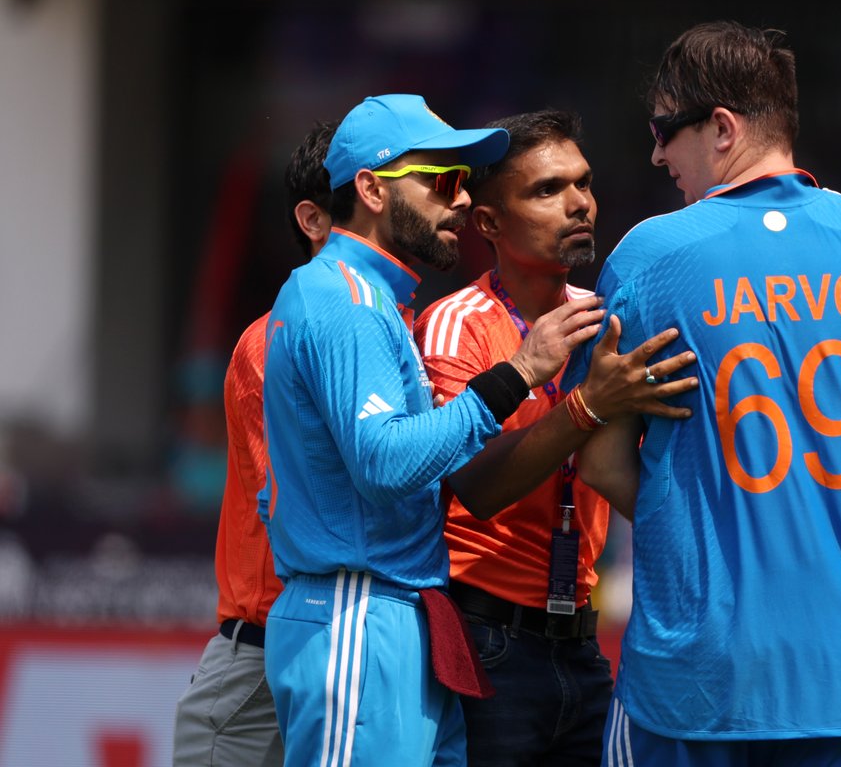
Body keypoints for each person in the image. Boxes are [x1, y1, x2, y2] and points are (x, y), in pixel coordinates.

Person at [568, 22, 841, 766]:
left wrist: (703, 515)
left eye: (666, 130)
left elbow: (600, 463)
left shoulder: (653, 255)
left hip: (700, 688)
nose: (658, 153)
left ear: (723, 128)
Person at [259, 94, 690, 767]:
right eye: (441, 181)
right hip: (381, 611)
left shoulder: (373, 298)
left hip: (448, 618)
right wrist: (529, 380)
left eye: (584, 184)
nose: (455, 202)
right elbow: (385, 464)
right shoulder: (348, 299)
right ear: (371, 189)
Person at [415, 109, 694, 766]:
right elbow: (476, 486)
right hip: (486, 640)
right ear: (487, 223)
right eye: (547, 190)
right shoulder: (458, 324)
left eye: (584, 184)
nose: (578, 204)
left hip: (583, 642)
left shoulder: (613, 319)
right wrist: (589, 405)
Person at [173, 120, 336, 767]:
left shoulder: (413, 339)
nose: (451, 202)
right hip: (264, 658)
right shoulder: (275, 342)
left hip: (348, 650)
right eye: (380, 192)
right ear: (314, 220)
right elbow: (302, 510)